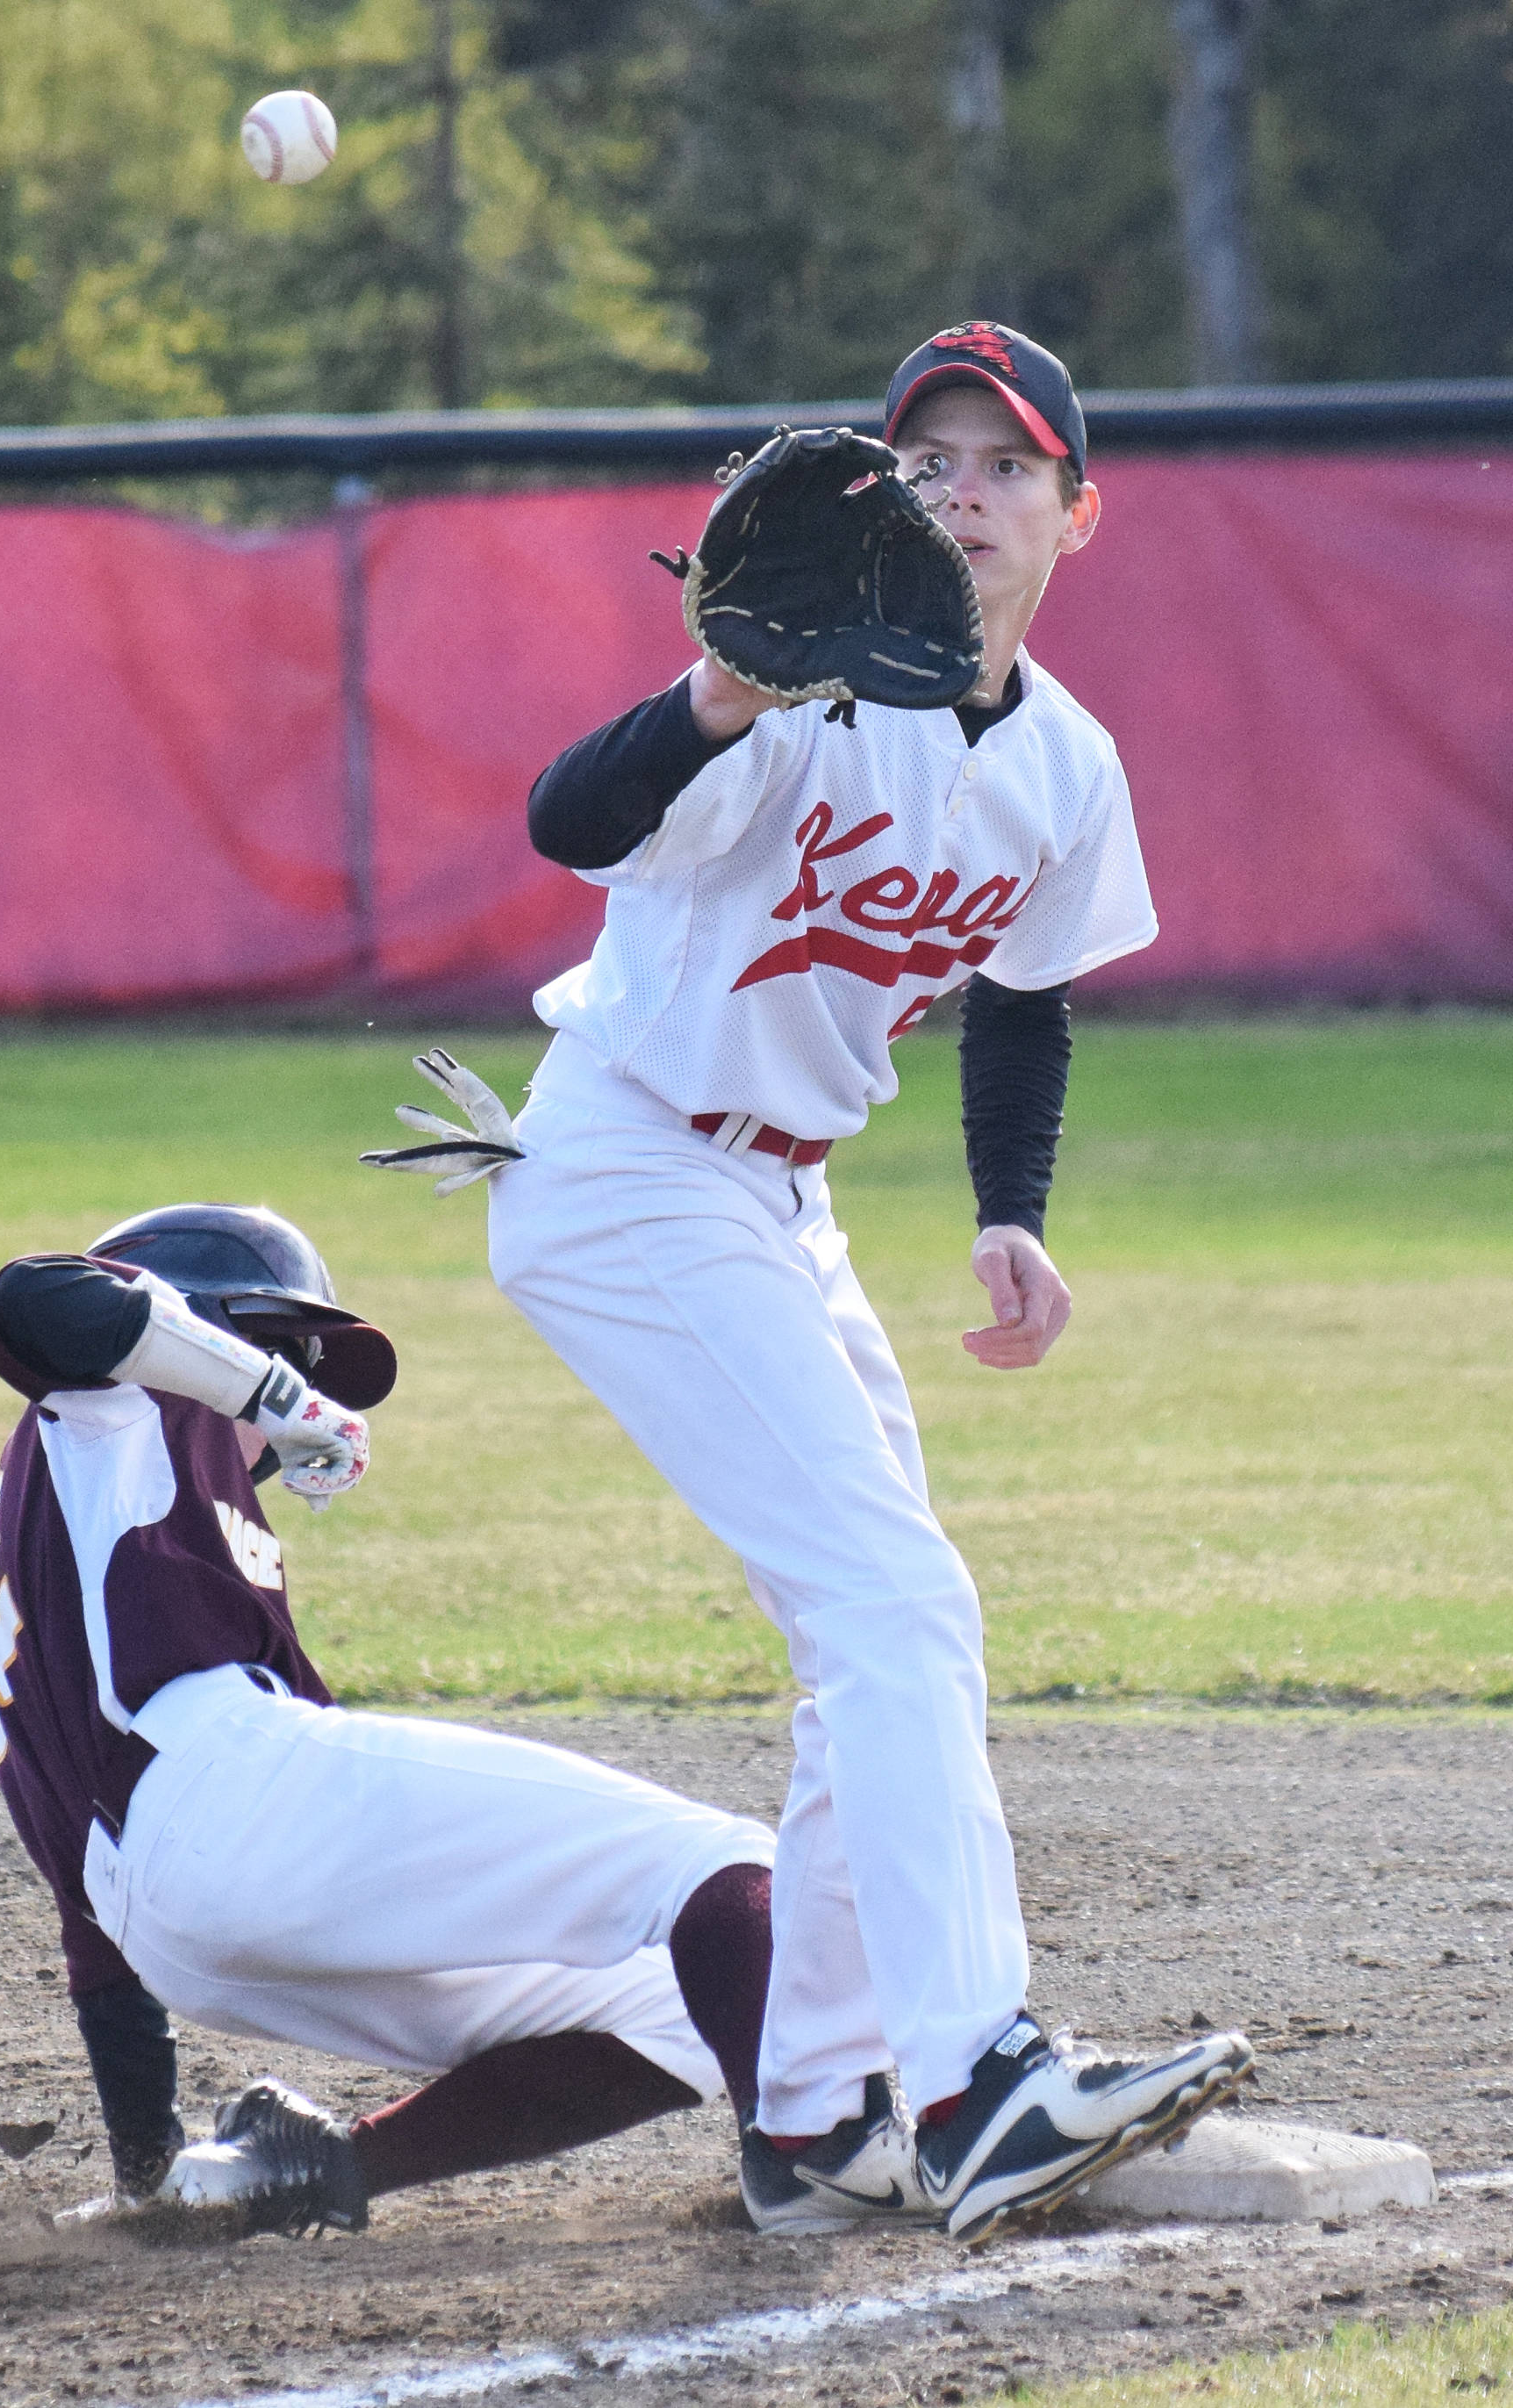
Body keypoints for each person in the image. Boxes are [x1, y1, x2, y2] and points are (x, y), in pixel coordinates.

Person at [479, 322, 1253, 2244]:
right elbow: (567, 821)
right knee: (900, 1600)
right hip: (625, 1163)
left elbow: (1023, 995)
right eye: (930, 462)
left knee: (871, 1639)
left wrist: (1014, 1208)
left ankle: (818, 2115)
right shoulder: (807, 703)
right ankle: (975, 2077)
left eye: (1006, 463)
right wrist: (719, 688)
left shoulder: (1067, 764)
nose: (963, 492)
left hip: (778, 1206)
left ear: (1080, 511)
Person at [0, 1201, 808, 2236]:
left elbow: (94, 1933)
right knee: (729, 1867)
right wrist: (267, 1387)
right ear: (196, 1320)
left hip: (169, 1923)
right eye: (285, 1348)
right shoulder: (114, 1405)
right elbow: (38, 1296)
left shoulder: (75, 1525)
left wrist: (147, 2170)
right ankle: (814, 2158)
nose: (303, 1391)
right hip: (223, 1794)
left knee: (686, 2005)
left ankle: (304, 2173)